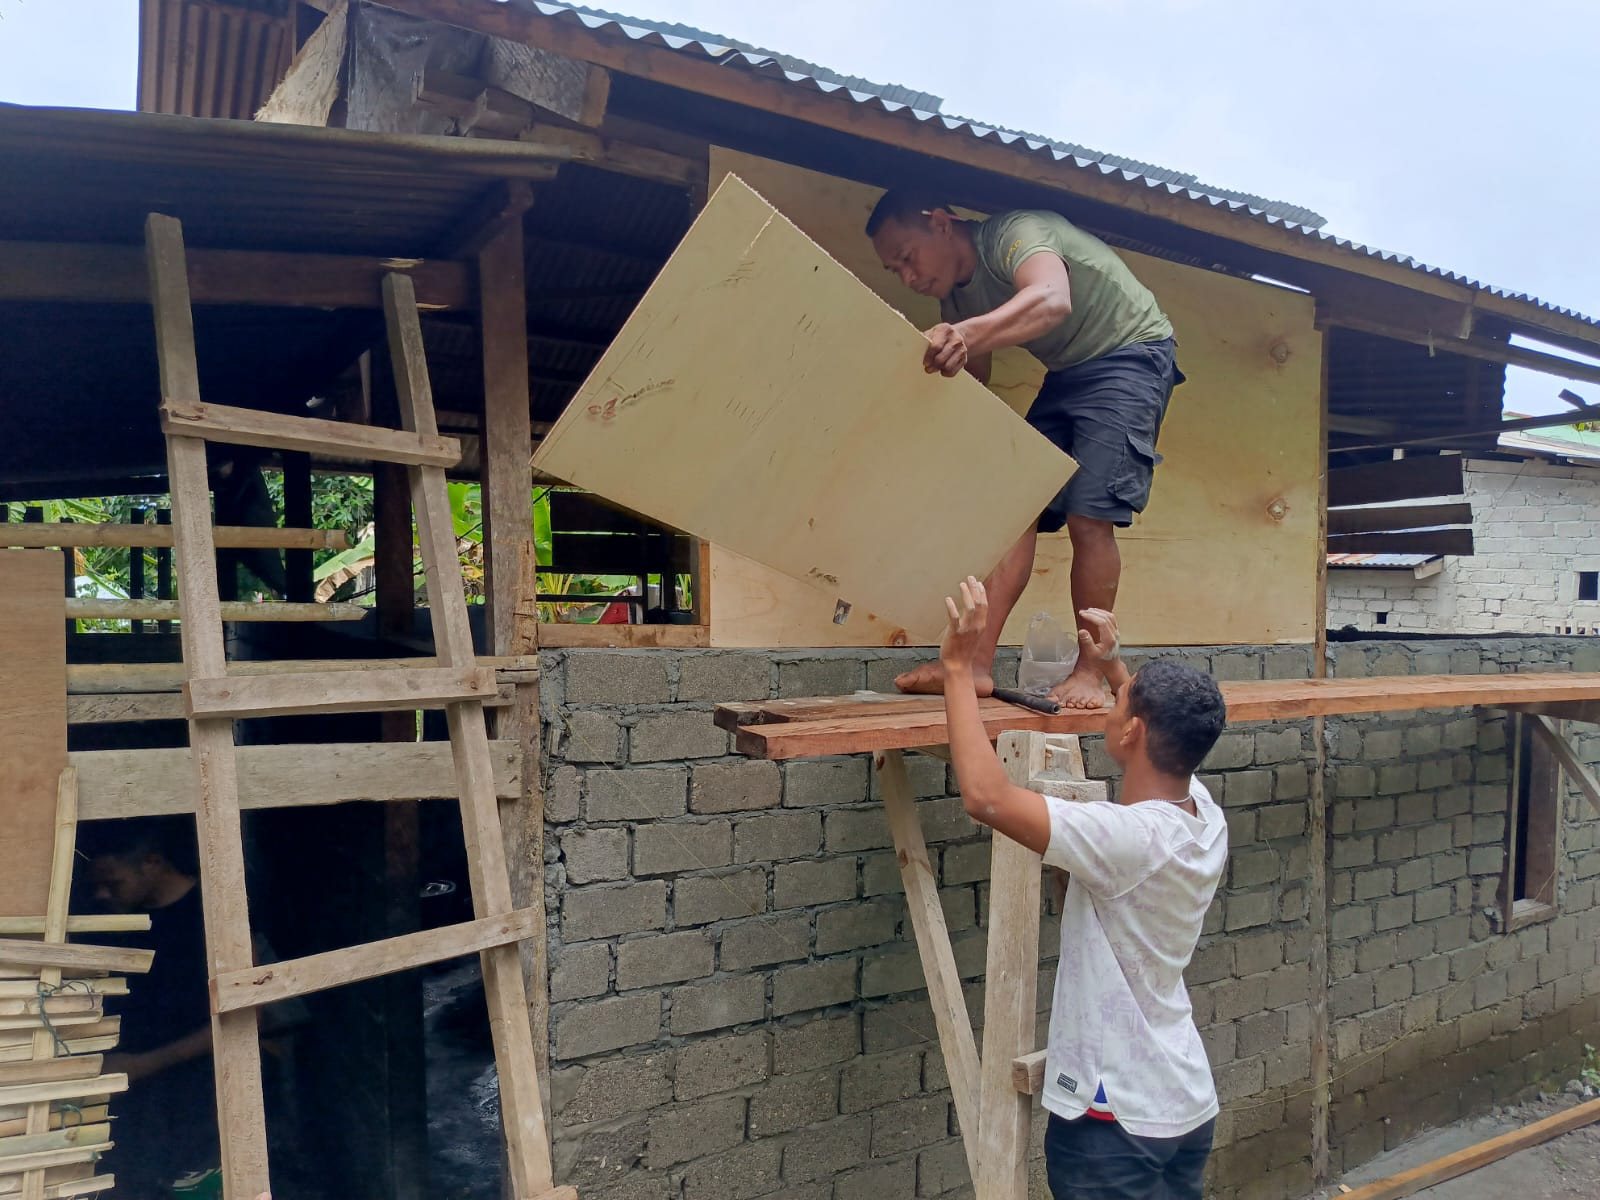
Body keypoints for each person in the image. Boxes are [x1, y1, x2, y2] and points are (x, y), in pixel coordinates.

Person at [939, 576, 1227, 1200]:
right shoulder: (1201, 814)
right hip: (1181, 1103)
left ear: (1134, 735)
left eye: (1120, 704)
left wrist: (959, 669)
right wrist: (1112, 664)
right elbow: (1158, 726)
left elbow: (987, 798)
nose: (1110, 704)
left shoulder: (1128, 841)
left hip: (1113, 1120)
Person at [868, 193, 1184, 708]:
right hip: (1070, 373)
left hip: (1132, 351)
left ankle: (1091, 673)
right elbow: (976, 376)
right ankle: (973, 667)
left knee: (1089, 515)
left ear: (941, 223)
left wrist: (964, 335)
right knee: (1016, 507)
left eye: (908, 256)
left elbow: (1052, 299)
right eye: (894, 269)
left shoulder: (1016, 233)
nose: (907, 276)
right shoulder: (957, 299)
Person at [82, 818, 221, 1200]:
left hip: (196, 1094)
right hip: (134, 1101)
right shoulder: (116, 919)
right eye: (98, 886)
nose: (104, 895)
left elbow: (246, 1018)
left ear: (153, 863)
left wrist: (143, 1064)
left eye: (114, 883)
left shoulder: (216, 916)